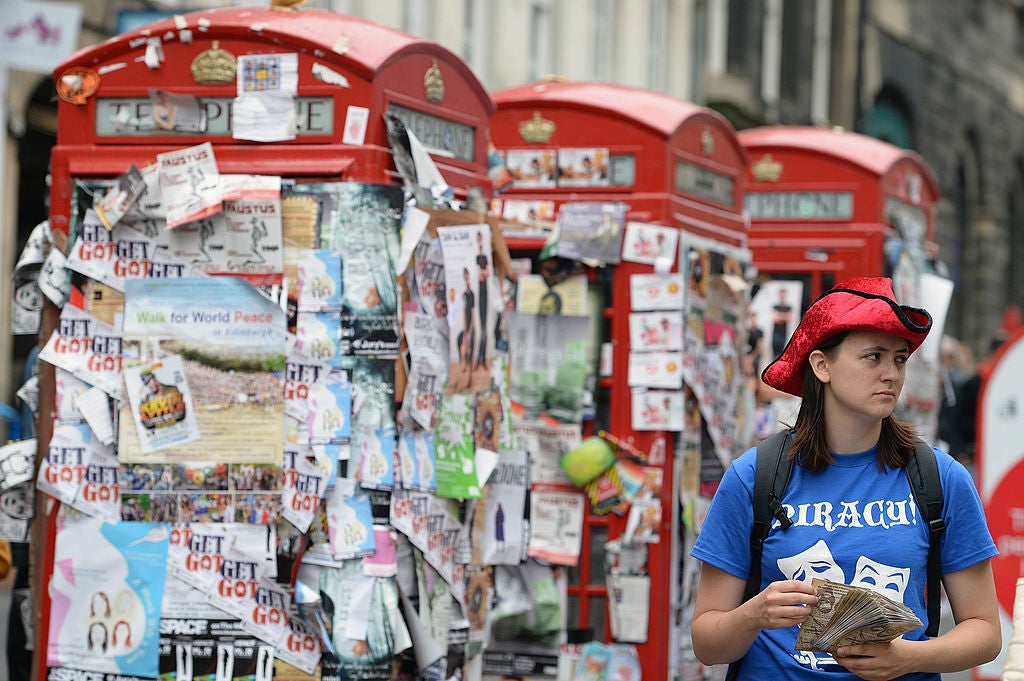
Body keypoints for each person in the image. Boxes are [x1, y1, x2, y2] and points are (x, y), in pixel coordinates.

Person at [690, 277, 1001, 681]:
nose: (891, 373)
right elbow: (707, 644)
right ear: (822, 366)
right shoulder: (754, 476)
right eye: (873, 357)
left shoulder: (940, 478)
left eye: (900, 359)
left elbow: (985, 631)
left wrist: (910, 658)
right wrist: (754, 614)